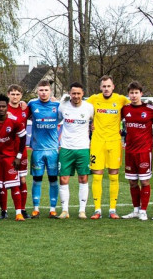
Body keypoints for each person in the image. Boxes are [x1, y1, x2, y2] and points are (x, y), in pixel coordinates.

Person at [87, 76, 130, 219]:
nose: (106, 89)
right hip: (97, 142)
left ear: (113, 87)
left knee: (113, 175)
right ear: (100, 87)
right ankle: (97, 210)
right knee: (97, 176)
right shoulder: (93, 99)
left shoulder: (121, 99)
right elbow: (79, 106)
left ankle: (112, 209)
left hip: (114, 142)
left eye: (108, 86)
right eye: (104, 86)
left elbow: (135, 104)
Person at [120, 81, 153, 220]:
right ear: (128, 94)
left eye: (136, 93)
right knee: (132, 182)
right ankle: (136, 210)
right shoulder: (125, 109)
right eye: (131, 93)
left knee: (145, 181)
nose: (134, 95)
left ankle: (143, 211)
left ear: (141, 94)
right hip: (130, 151)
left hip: (144, 151)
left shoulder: (151, 109)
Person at [57, 82, 94, 219]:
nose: (76, 96)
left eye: (78, 93)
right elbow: (57, 120)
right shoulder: (63, 106)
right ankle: (64, 210)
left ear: (82, 94)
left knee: (83, 178)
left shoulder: (89, 107)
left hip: (83, 148)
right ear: (70, 94)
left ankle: (82, 210)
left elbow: (96, 121)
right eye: (74, 93)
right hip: (66, 147)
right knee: (63, 178)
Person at [27, 80, 61, 218]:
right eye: (41, 90)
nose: (43, 92)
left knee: (53, 179)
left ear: (50, 91)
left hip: (52, 150)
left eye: (46, 90)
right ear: (37, 91)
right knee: (37, 179)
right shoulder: (31, 104)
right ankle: (36, 208)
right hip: (37, 150)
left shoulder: (57, 105)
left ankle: (53, 209)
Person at [6, 84, 30, 219]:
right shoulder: (3, 108)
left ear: (21, 96)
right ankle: (3, 210)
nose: (15, 97)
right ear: (8, 95)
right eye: (13, 94)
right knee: (5, 180)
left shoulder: (26, 108)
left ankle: (22, 209)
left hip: (21, 148)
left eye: (18, 94)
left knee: (22, 179)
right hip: (6, 148)